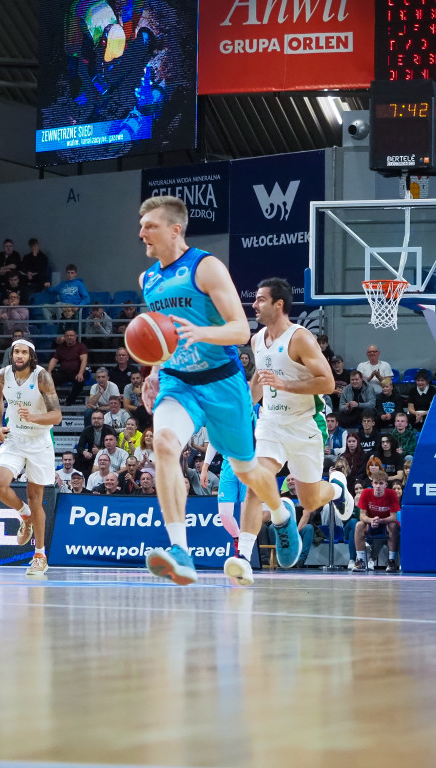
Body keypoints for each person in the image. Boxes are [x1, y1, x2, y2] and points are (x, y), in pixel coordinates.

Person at [136, 197, 295, 586]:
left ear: (176, 230)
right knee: (165, 444)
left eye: (150, 226)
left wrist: (199, 333)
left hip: (222, 381)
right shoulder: (148, 279)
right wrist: (155, 370)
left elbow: (240, 330)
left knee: (246, 469)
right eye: (141, 226)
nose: (142, 233)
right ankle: (180, 551)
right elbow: (161, 337)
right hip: (178, 382)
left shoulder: (205, 267)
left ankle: (280, 513)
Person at [0, 338, 63, 576]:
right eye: (16, 352)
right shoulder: (3, 375)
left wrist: (33, 418)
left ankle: (40, 556)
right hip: (14, 437)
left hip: (39, 441)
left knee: (36, 498)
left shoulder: (42, 377)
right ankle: (24, 514)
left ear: (31, 356)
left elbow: (56, 417)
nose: (19, 356)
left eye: (23, 352)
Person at [351, 469, 400, 572]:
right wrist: (371, 520)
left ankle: (391, 561)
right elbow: (362, 516)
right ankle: (361, 561)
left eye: (381, 483)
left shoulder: (392, 494)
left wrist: (380, 520)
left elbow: (393, 517)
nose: (378, 486)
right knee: (359, 525)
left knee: (393, 525)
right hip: (371, 523)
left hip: (385, 524)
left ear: (386, 484)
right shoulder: (365, 492)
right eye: (376, 483)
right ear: (372, 483)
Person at [48, 329, 89, 406]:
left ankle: (69, 401)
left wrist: (80, 373)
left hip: (76, 372)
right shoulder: (61, 347)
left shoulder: (81, 346)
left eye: (71, 335)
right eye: (67, 336)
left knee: (80, 382)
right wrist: (49, 372)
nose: (69, 337)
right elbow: (54, 360)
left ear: (75, 337)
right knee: (49, 380)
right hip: (63, 372)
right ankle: (52, 402)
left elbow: (84, 361)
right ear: (64, 337)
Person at [73, 409, 117, 475]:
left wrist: (100, 451)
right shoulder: (87, 430)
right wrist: (84, 452)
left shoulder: (109, 430)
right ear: (91, 420)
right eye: (94, 418)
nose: (96, 420)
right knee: (76, 457)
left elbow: (114, 447)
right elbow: (79, 447)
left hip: (107, 455)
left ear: (103, 420)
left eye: (99, 418)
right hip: (91, 455)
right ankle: (79, 477)